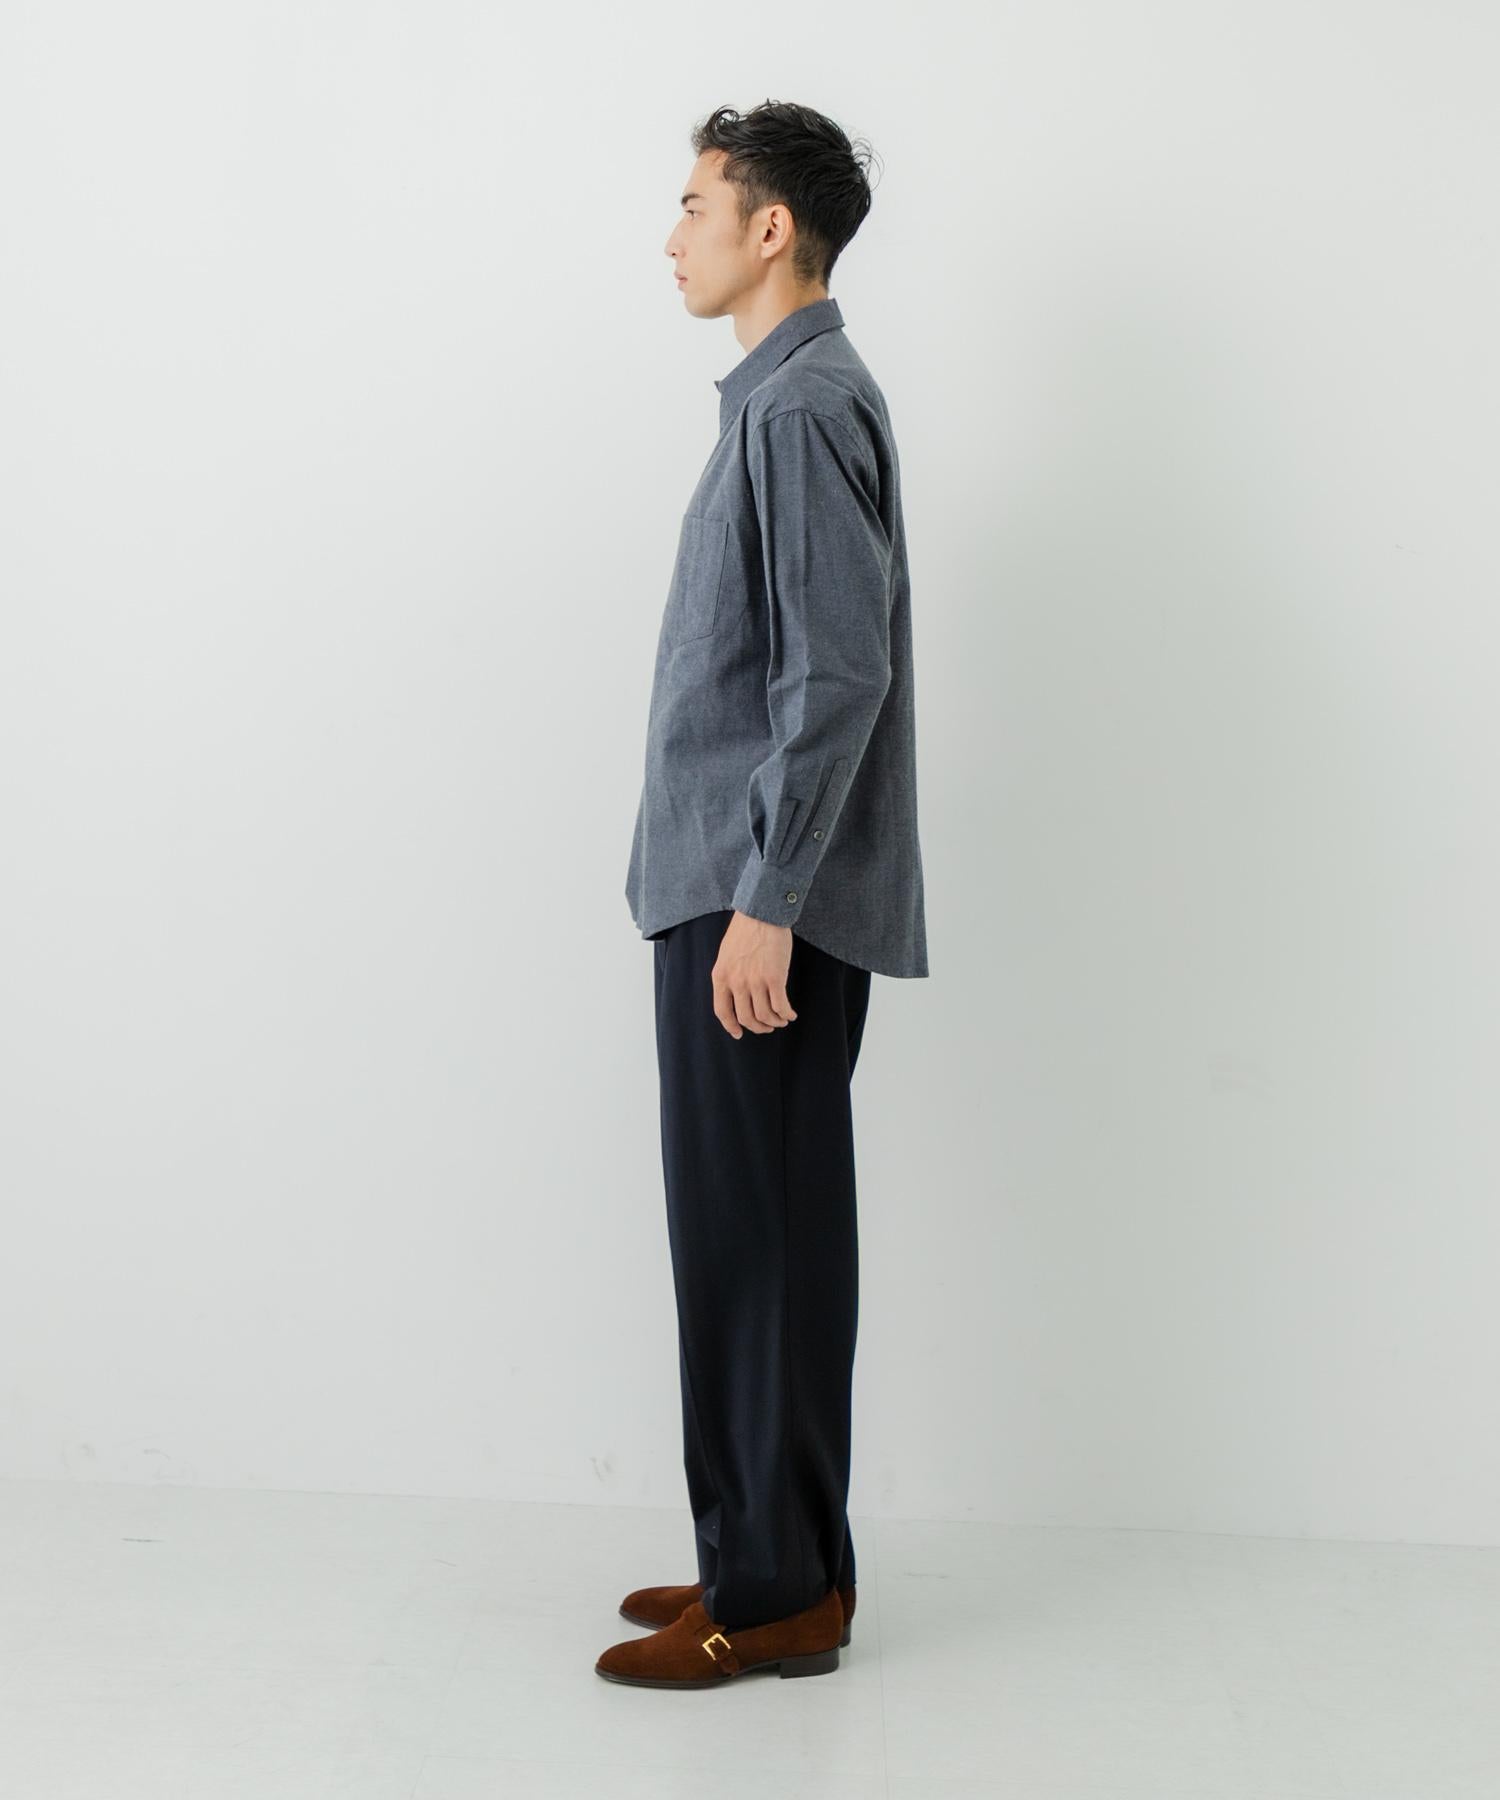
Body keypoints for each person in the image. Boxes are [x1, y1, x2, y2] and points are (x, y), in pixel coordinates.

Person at [599, 99, 929, 1690]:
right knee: (744, 1239)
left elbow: (837, 673)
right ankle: (761, 1552)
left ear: (770, 227)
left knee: (765, 1244)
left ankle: (780, 1591)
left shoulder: (799, 407)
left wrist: (767, 898)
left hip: (754, 911)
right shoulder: (778, 404)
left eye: (694, 204)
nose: (673, 235)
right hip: (731, 895)